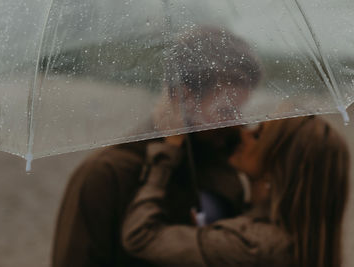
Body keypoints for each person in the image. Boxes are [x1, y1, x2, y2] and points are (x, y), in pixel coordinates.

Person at [51, 26, 262, 267]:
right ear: (183, 97)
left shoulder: (223, 159)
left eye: (239, 110)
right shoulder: (106, 174)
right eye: (226, 111)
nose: (239, 123)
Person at [122, 116, 349, 267]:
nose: (243, 134)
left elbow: (141, 237)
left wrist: (168, 151)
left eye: (258, 135)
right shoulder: (303, 237)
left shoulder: (250, 245)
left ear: (279, 167)